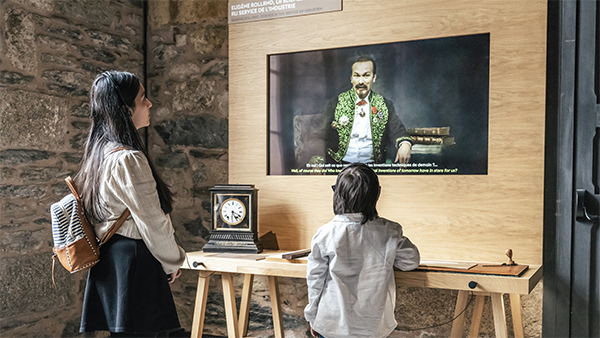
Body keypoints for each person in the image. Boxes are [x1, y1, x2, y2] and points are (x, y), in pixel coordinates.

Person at [76, 71, 187, 337]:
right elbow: (154, 222)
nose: (149, 104)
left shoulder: (98, 154)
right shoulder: (128, 159)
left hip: (112, 262)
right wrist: (173, 262)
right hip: (135, 265)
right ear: (125, 109)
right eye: (143, 98)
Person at [304, 163, 420, 338]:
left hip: (331, 323)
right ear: (376, 195)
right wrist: (389, 258)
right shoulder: (390, 231)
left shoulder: (325, 233)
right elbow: (411, 261)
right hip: (371, 326)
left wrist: (312, 316)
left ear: (337, 194)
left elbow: (315, 280)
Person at [314, 55, 413, 165]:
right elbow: (319, 136)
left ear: (374, 77)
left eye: (366, 76)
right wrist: (317, 161)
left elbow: (398, 130)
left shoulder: (385, 105)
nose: (361, 81)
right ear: (351, 78)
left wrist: (405, 144)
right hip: (340, 167)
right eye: (357, 76)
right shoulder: (334, 104)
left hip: (373, 169)